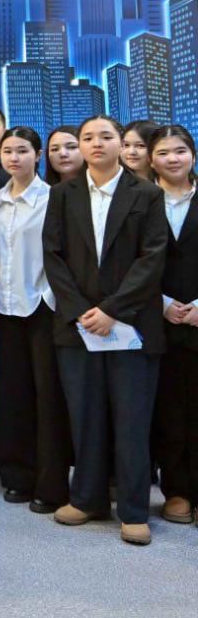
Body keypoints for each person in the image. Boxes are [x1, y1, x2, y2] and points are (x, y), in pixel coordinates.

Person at [43, 114, 167, 546]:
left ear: (121, 143)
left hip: (132, 325)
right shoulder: (62, 194)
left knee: (132, 419)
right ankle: (88, 498)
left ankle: (133, 511)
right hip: (78, 327)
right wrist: (81, 311)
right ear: (80, 145)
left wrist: (113, 310)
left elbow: (153, 257)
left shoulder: (147, 194)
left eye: (106, 136)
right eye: (88, 137)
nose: (97, 143)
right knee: (86, 415)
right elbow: (52, 256)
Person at [0, 126, 70, 514]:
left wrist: (50, 298)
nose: (14, 157)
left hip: (42, 307)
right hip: (6, 309)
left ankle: (50, 484)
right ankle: (16, 476)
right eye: (8, 151)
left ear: (38, 156)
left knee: (47, 398)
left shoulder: (53, 198)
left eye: (22, 150)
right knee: (12, 396)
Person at [150, 124, 198, 526]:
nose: (172, 159)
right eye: (163, 152)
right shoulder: (140, 201)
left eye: (180, 151)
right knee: (168, 410)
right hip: (158, 321)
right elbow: (126, 262)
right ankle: (177, 490)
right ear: (152, 160)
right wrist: (161, 304)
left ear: (193, 155)